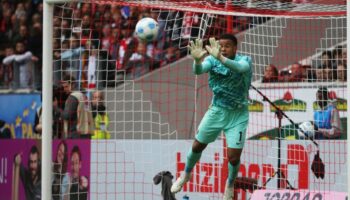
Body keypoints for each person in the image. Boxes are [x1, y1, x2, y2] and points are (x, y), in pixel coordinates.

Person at [171, 34, 252, 200]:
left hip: (238, 114)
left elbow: (240, 69)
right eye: (221, 46)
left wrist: (220, 57)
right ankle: (186, 174)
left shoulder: (245, 60)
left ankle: (230, 183)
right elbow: (198, 71)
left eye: (227, 46)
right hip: (217, 111)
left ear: (235, 48)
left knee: (233, 157)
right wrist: (197, 61)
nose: (223, 48)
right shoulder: (212, 60)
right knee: (197, 146)